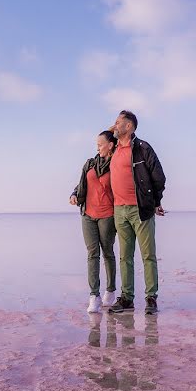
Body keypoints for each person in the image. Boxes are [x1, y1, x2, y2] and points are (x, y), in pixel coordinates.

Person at [106, 110, 166, 315]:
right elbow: (102, 140)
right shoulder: (113, 149)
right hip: (119, 210)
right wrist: (111, 129)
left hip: (140, 209)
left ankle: (151, 298)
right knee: (125, 256)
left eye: (117, 122)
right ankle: (127, 299)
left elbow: (159, 176)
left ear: (129, 126)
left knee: (148, 255)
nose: (114, 126)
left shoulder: (142, 148)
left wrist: (155, 201)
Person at [70, 130, 119, 313]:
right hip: (88, 215)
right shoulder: (90, 164)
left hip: (108, 215)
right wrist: (74, 194)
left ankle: (111, 291)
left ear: (110, 145)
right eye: (96, 144)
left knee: (107, 252)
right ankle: (94, 296)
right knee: (92, 254)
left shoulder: (116, 165)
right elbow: (82, 183)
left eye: (100, 144)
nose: (97, 147)